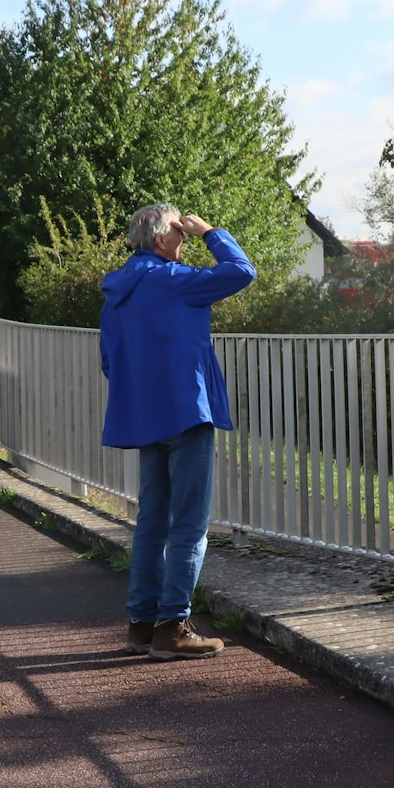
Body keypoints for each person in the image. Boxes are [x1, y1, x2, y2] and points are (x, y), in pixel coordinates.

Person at [98, 204, 256, 660]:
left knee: (151, 521)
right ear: (162, 239)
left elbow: (110, 362)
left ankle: (142, 625)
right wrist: (211, 231)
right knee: (188, 524)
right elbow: (241, 271)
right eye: (179, 236)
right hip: (187, 412)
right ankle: (173, 626)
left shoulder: (118, 291)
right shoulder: (173, 280)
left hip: (147, 417)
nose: (184, 244)